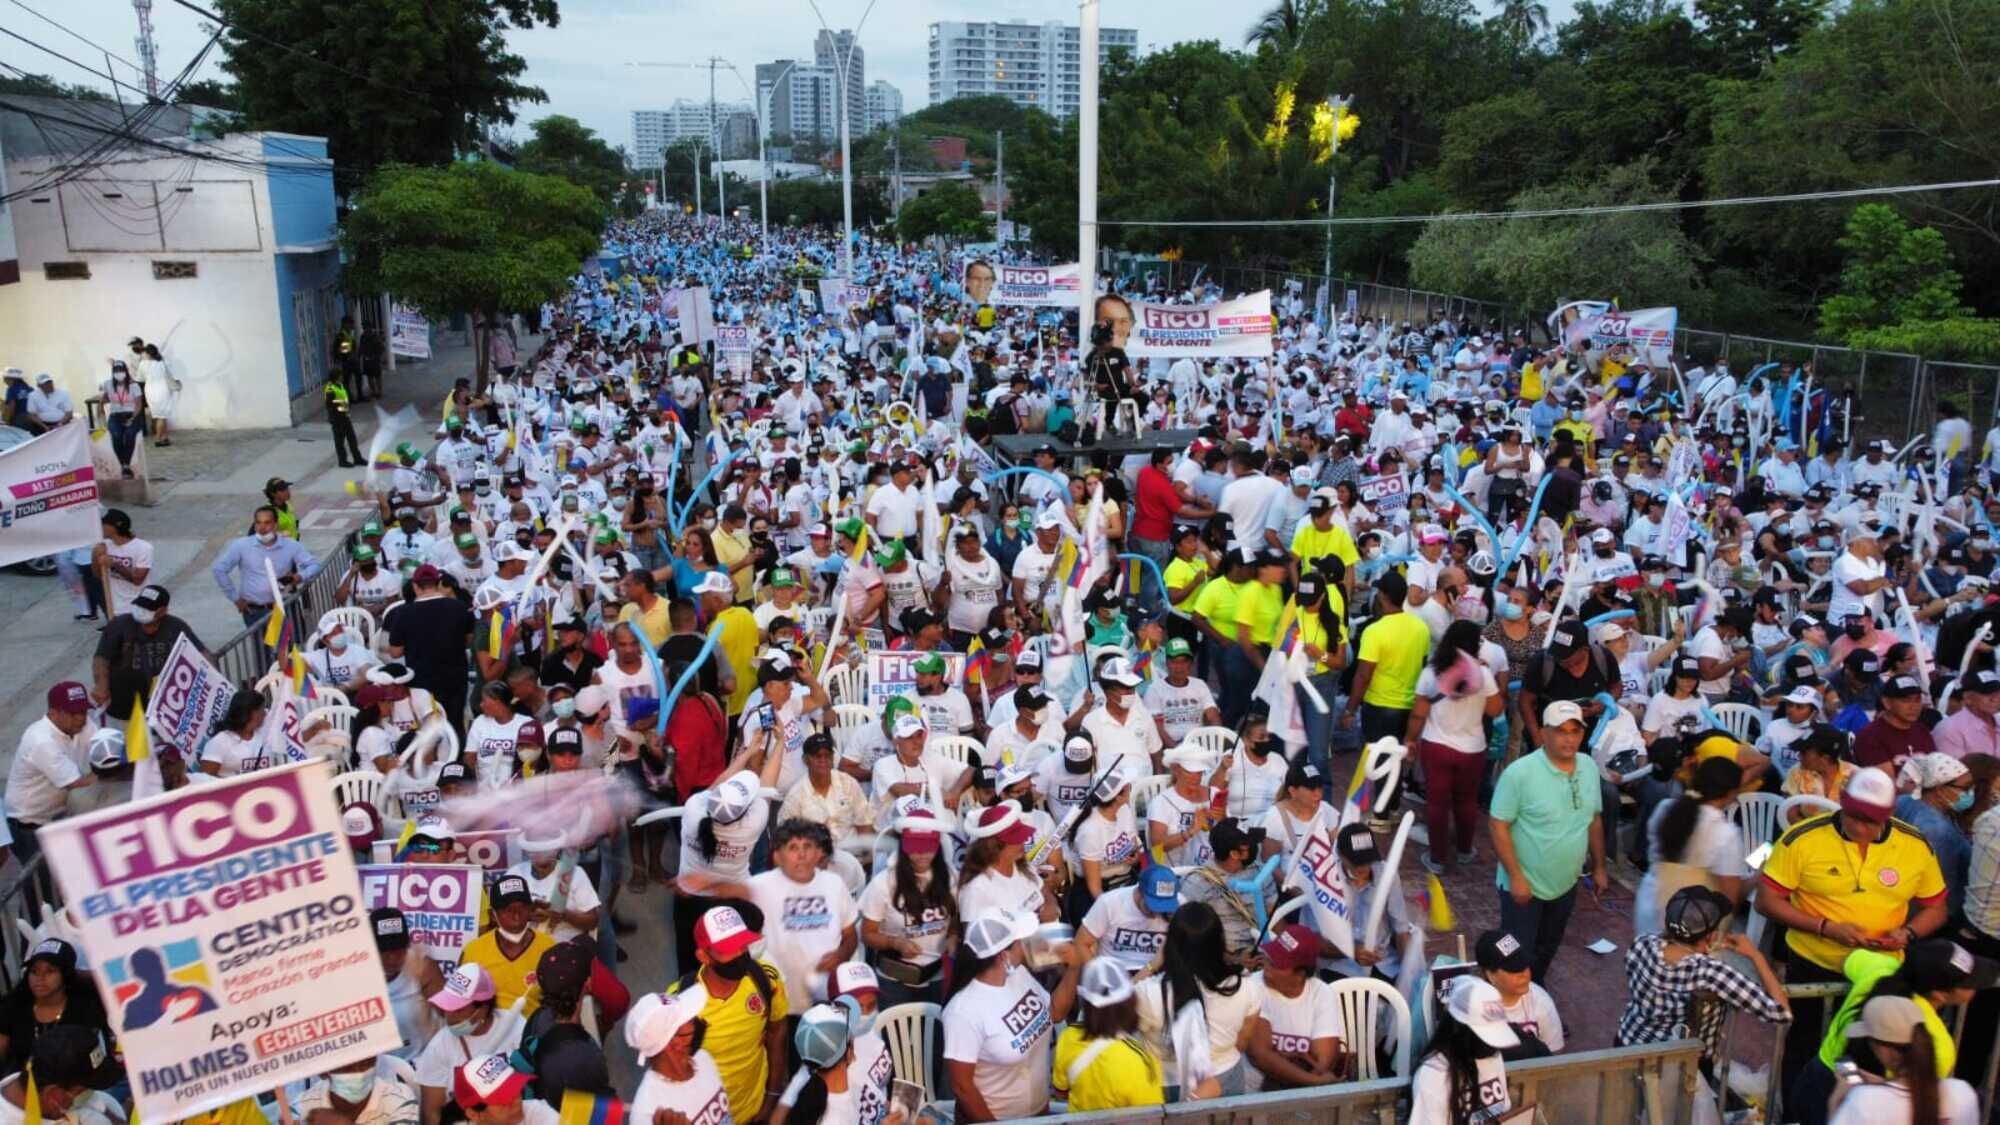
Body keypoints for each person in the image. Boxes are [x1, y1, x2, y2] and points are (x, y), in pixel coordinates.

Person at [1757, 765, 1948, 1095]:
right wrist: (1825, 928)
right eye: (1855, 816)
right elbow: (1766, 901)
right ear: (1842, 804)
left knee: (1866, 1053)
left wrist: (1907, 934)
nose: (1861, 827)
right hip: (1815, 965)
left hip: (1882, 972)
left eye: (1872, 821)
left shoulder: (1914, 845)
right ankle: (1797, 1112)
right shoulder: (1803, 838)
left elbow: (1936, 907)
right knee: (1806, 1047)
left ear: (1887, 815)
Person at [1618, 887, 1791, 1093]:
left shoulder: (1643, 943)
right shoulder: (1711, 972)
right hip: (1679, 1071)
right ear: (1710, 935)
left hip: (1627, 1046)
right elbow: (1781, 1013)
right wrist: (1756, 955)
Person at [1488, 699, 1607, 981]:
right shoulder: (1520, 773)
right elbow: (1498, 825)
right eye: (1560, 731)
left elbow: (1594, 819)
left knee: (1547, 947)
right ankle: (1511, 1007)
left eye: (1575, 731)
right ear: (1543, 734)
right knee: (1516, 952)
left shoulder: (1588, 767)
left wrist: (1600, 866)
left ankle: (1536, 994)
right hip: (1524, 887)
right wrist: (1516, 877)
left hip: (1566, 882)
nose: (1569, 738)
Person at [941, 910, 1081, 1122]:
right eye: (1020, 941)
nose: (1027, 944)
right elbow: (963, 1087)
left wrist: (1073, 969)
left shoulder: (1019, 975)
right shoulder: (963, 1011)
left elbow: (1055, 1013)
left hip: (1038, 1112)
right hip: (997, 1118)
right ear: (1002, 955)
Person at [664, 905, 788, 1124]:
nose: (740, 954)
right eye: (727, 949)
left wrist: (772, 1096)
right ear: (703, 955)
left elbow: (777, 1032)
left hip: (755, 1110)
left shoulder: (766, 979)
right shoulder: (678, 1002)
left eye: (742, 944)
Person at [1135, 901, 1265, 1097]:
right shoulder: (1247, 987)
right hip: (1226, 1077)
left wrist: (1153, 965)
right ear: (1219, 942)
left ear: (1170, 944)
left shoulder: (1149, 993)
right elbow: (1242, 1042)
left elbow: (1112, 1011)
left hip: (1164, 1085)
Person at [1409, 619, 1502, 875]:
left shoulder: (1431, 672)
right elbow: (1496, 710)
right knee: (1466, 802)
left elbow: (1418, 714)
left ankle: (1437, 858)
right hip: (1472, 749)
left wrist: (1409, 740)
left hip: (1436, 746)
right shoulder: (1482, 674)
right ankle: (1464, 850)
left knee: (1436, 803)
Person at [747, 818, 859, 1014]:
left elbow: (850, 935)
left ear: (818, 853)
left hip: (827, 1000)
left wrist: (842, 955)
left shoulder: (835, 884)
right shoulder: (760, 885)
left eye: (807, 846)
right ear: (777, 856)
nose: (801, 854)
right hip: (781, 1002)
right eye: (792, 848)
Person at [1633, 757, 1750, 937]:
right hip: (1690, 920)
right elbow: (1730, 898)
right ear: (1730, 793)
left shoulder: (1665, 808)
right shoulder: (1726, 834)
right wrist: (1758, 877)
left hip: (1650, 903)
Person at [1828, 995, 1980, 1125]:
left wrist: (1836, 1101)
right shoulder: (1963, 1092)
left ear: (1884, 1050)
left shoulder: (1864, 1102)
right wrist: (1884, 1084)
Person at [859, 808, 957, 1008]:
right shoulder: (883, 883)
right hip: (896, 980)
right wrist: (895, 943)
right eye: (915, 848)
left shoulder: (949, 876)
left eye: (928, 848)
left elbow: (956, 916)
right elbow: (867, 933)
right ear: (903, 846)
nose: (921, 855)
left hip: (937, 975)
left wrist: (953, 936)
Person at [414, 965, 525, 1125]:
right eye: (447, 1007)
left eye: (458, 1009)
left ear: (483, 1008)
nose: (449, 1016)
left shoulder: (516, 1027)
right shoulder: (438, 1047)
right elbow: (431, 1112)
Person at [1054, 956, 1168, 1110]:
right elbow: (1152, 1117)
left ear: (1086, 1003)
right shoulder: (1142, 1061)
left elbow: (1061, 1092)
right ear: (1130, 1001)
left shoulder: (1068, 1037)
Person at [1247, 924, 1345, 1090]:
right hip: (1255, 1091)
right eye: (1268, 958)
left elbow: (1323, 1061)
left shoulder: (1321, 993)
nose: (1266, 967)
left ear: (1300, 974)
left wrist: (1307, 1081)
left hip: (1303, 1092)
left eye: (1276, 964)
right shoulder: (1252, 986)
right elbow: (1261, 1055)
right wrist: (1312, 1081)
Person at [1408, 977, 1518, 1125]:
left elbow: (1501, 1110)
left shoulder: (1492, 1055)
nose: (1493, 1046)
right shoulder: (1433, 1077)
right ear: (1459, 1029)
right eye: (1485, 1037)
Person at [388, 565, 476, 736]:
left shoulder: (403, 613)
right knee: (455, 724)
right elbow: (468, 640)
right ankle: (455, 760)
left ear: (415, 586)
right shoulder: (458, 607)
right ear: (438, 583)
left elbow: (395, 652)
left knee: (428, 728)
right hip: (455, 677)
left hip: (422, 681)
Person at [0, 940, 108, 1073]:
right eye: (34, 971)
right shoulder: (13, 1007)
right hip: (20, 1085)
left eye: (50, 971)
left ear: (66, 975)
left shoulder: (85, 1009)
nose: (40, 977)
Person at [625, 989, 731, 1125]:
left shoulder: (703, 1059)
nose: (697, 1019)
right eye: (689, 1019)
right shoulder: (646, 1113)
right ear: (672, 1043)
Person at [210, 505, 323, 626]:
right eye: (258, 523)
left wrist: (300, 576)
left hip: (283, 608)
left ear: (275, 524)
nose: (262, 528)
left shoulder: (291, 546)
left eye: (267, 523)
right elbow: (219, 569)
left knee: (287, 644)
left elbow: (314, 565)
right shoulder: (241, 546)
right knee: (260, 645)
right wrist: (235, 598)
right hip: (254, 611)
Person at [1894, 754, 1975, 917]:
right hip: (1932, 918)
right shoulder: (1936, 831)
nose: (1971, 793)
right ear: (1939, 789)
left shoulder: (1904, 801)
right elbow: (1939, 888)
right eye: (1965, 788)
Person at [1472, 930, 1565, 1060]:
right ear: (1490, 975)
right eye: (1514, 969)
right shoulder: (1472, 1008)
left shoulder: (1540, 1001)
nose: (1524, 974)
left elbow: (1554, 1056)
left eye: (1525, 966)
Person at [1076, 862, 1180, 974]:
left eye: (1164, 908)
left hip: (1158, 971)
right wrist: (1101, 977)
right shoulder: (1110, 903)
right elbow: (1081, 943)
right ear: (1140, 891)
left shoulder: (1181, 905)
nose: (1156, 914)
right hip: (1116, 972)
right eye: (1151, 906)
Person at [294, 1054, 422, 1125]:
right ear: (323, 1072)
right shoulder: (301, 1109)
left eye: (366, 1064)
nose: (359, 1073)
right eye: (347, 1068)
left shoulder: (400, 1099)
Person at [449, 1054, 556, 1125]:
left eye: (514, 1090)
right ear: (474, 1114)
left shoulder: (535, 1111)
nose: (517, 1101)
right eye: (504, 1101)